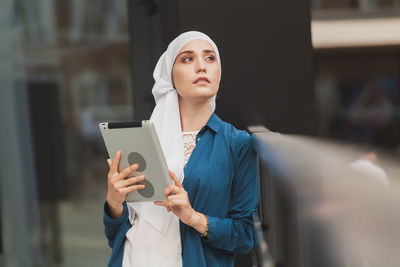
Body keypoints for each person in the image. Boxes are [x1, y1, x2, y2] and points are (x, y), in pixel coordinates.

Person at [103, 31, 259, 267]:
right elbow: (115, 236)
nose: (201, 67)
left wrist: (193, 218)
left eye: (209, 58)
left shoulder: (237, 143)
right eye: (187, 59)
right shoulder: (143, 139)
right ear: (170, 76)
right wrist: (114, 204)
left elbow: (245, 235)